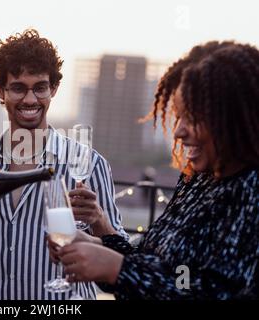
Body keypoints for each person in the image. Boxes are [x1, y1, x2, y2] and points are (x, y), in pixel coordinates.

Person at [51, 41, 259, 299]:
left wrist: (117, 269)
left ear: (233, 117)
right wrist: (97, 245)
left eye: (192, 118)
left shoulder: (251, 191)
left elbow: (208, 292)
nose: (179, 131)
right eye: (178, 116)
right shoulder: (198, 179)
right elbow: (161, 265)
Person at [0, 29, 127, 300]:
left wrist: (99, 219)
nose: (30, 100)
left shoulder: (90, 164)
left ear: (53, 88)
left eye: (40, 87)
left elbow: (121, 261)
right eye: (18, 87)